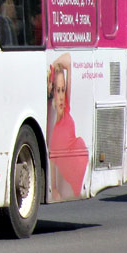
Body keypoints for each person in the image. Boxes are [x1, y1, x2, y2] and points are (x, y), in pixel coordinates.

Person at [47, 52, 89, 200]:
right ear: (52, 91)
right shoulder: (50, 121)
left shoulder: (66, 109)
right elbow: (51, 157)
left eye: (63, 90)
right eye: (57, 90)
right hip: (66, 183)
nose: (61, 96)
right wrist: (54, 188)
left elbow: (68, 60)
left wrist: (54, 66)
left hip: (75, 181)